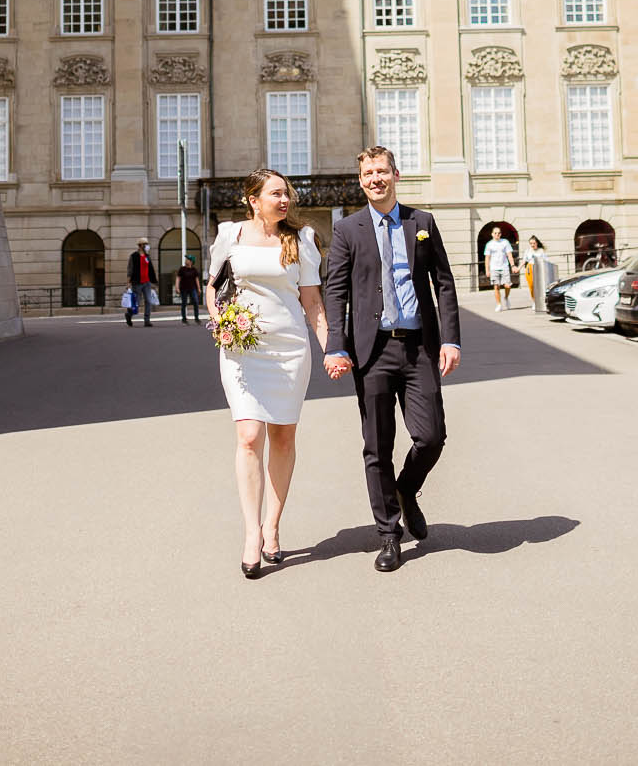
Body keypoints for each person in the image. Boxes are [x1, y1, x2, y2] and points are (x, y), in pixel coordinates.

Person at [321, 145, 461, 573]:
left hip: (418, 346)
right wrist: (336, 345)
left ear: (396, 175)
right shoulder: (348, 229)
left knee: (431, 436)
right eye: (367, 174)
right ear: (360, 180)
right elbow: (336, 291)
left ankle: (405, 489)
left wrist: (450, 340)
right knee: (377, 445)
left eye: (382, 171)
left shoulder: (422, 223)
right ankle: (388, 534)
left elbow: (445, 284)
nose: (375, 179)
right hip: (372, 351)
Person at [206, 169, 327, 579]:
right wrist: (220, 318)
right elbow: (213, 285)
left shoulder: (302, 239)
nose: (285, 200)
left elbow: (311, 301)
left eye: (287, 194)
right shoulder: (230, 236)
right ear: (253, 200)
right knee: (249, 435)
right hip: (242, 349)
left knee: (282, 436)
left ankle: (273, 524)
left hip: (290, 349)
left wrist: (334, 349)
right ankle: (252, 534)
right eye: (276, 194)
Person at [482, 225, 517, 311]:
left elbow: (509, 255)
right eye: (495, 233)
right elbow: (487, 258)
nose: (497, 234)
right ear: (492, 234)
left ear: (501, 234)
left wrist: (512, 265)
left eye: (499, 233)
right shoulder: (489, 244)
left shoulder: (505, 242)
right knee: (496, 286)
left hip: (504, 267)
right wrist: (487, 270)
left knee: (507, 285)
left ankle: (506, 297)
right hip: (494, 268)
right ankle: (499, 304)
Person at [126, 238, 157, 326]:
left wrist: (153, 281)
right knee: (137, 303)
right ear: (140, 245)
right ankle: (129, 314)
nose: (147, 246)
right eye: (145, 244)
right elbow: (130, 269)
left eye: (147, 244)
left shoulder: (147, 256)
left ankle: (147, 320)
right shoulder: (134, 256)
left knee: (148, 301)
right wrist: (128, 282)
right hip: (137, 282)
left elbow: (151, 269)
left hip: (147, 282)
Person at [175, 255, 203, 325]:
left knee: (196, 302)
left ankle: (196, 318)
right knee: (184, 303)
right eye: (186, 259)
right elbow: (178, 278)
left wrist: (199, 288)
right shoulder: (182, 269)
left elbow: (197, 280)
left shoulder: (194, 270)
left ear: (191, 262)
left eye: (187, 259)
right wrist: (177, 287)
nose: (186, 260)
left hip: (192, 288)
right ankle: (184, 319)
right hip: (183, 288)